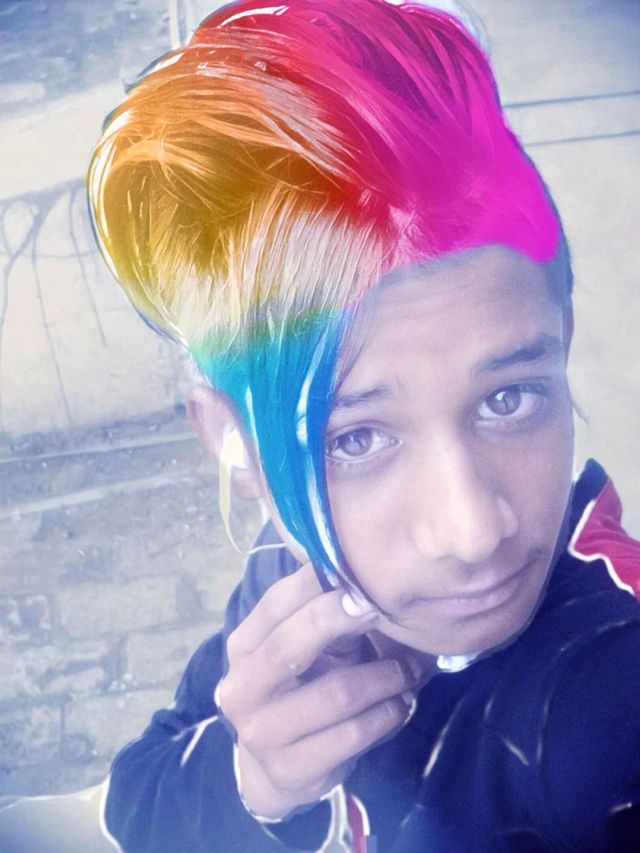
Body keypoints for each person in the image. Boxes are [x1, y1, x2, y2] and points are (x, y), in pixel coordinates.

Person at [87, 1, 640, 849]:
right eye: (355, 439)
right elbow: (138, 796)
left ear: (560, 341)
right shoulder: (288, 579)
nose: (474, 531)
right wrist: (255, 784)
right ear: (235, 444)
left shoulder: (614, 682)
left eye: (510, 398)